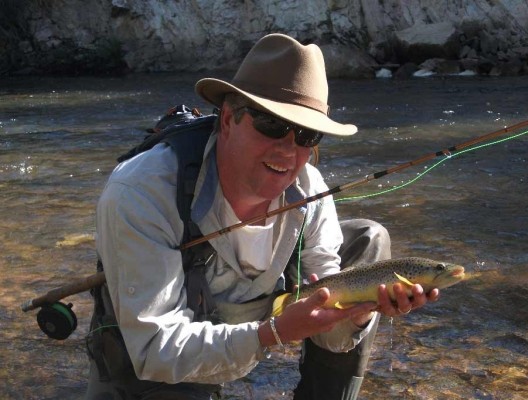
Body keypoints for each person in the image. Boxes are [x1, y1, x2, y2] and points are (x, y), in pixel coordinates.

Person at [85, 33, 440, 400]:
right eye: (270, 124)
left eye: (306, 133)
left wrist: (361, 312)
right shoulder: (143, 191)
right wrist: (273, 333)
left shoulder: (310, 191)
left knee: (369, 239)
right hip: (152, 363)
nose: (288, 149)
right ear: (226, 120)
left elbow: (329, 336)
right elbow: (155, 351)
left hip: (256, 320)